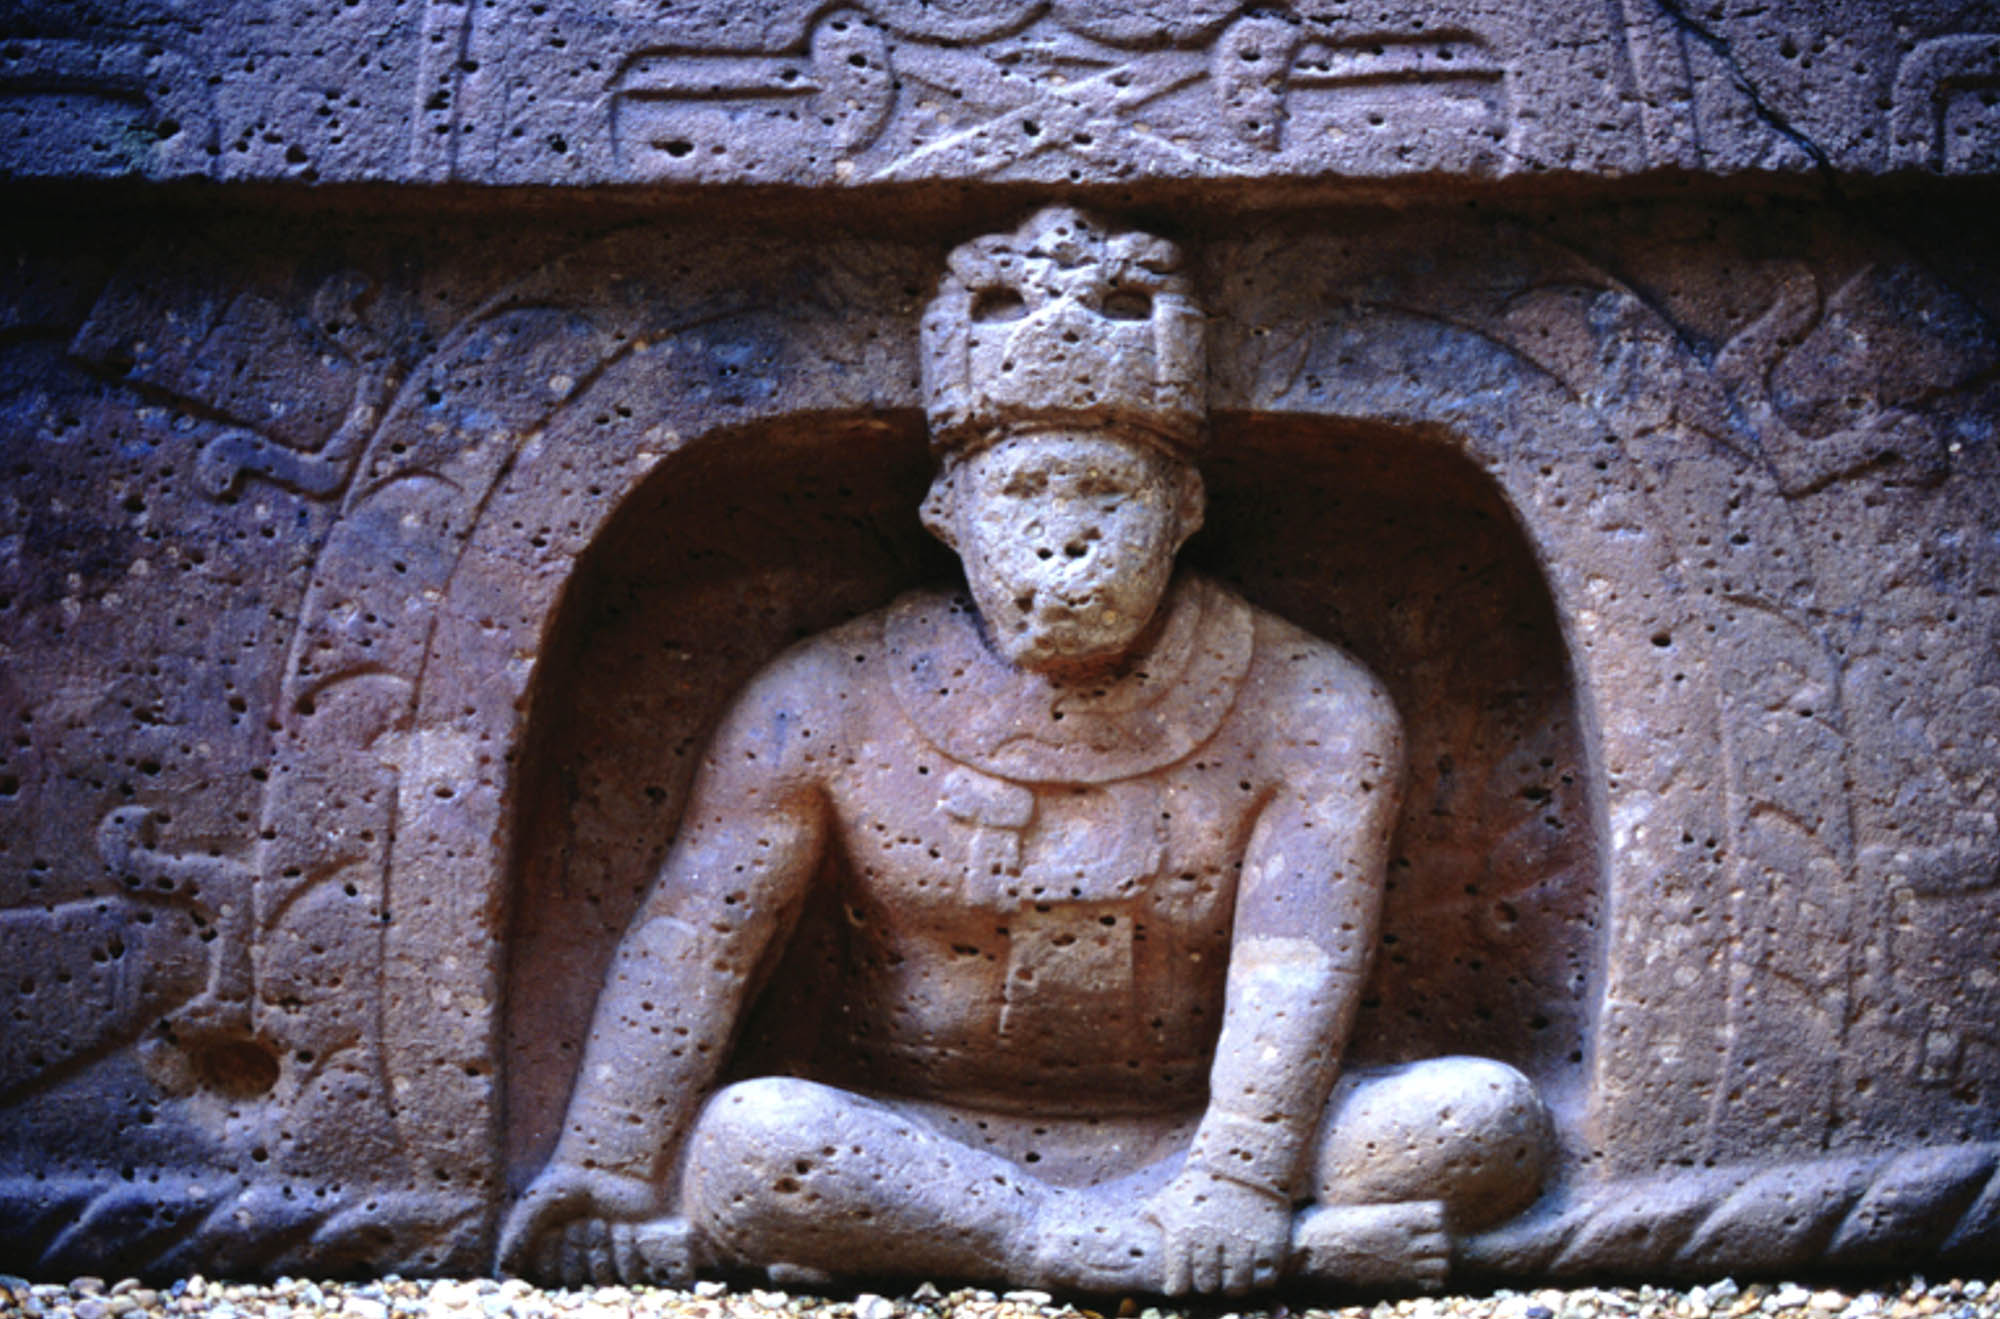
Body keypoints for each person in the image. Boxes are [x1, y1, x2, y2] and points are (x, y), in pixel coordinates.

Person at [500, 207, 1548, 1296]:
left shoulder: (1313, 705)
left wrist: (1238, 1177)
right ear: (946, 510)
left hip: (1210, 1142)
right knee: (757, 1138)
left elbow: (1297, 966)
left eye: (1105, 493)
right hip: (920, 1145)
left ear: (1182, 504)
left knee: (1477, 1121)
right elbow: (695, 946)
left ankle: (1075, 1242)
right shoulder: (825, 699)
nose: (1063, 537)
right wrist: (608, 1169)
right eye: (1019, 493)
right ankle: (1071, 1245)